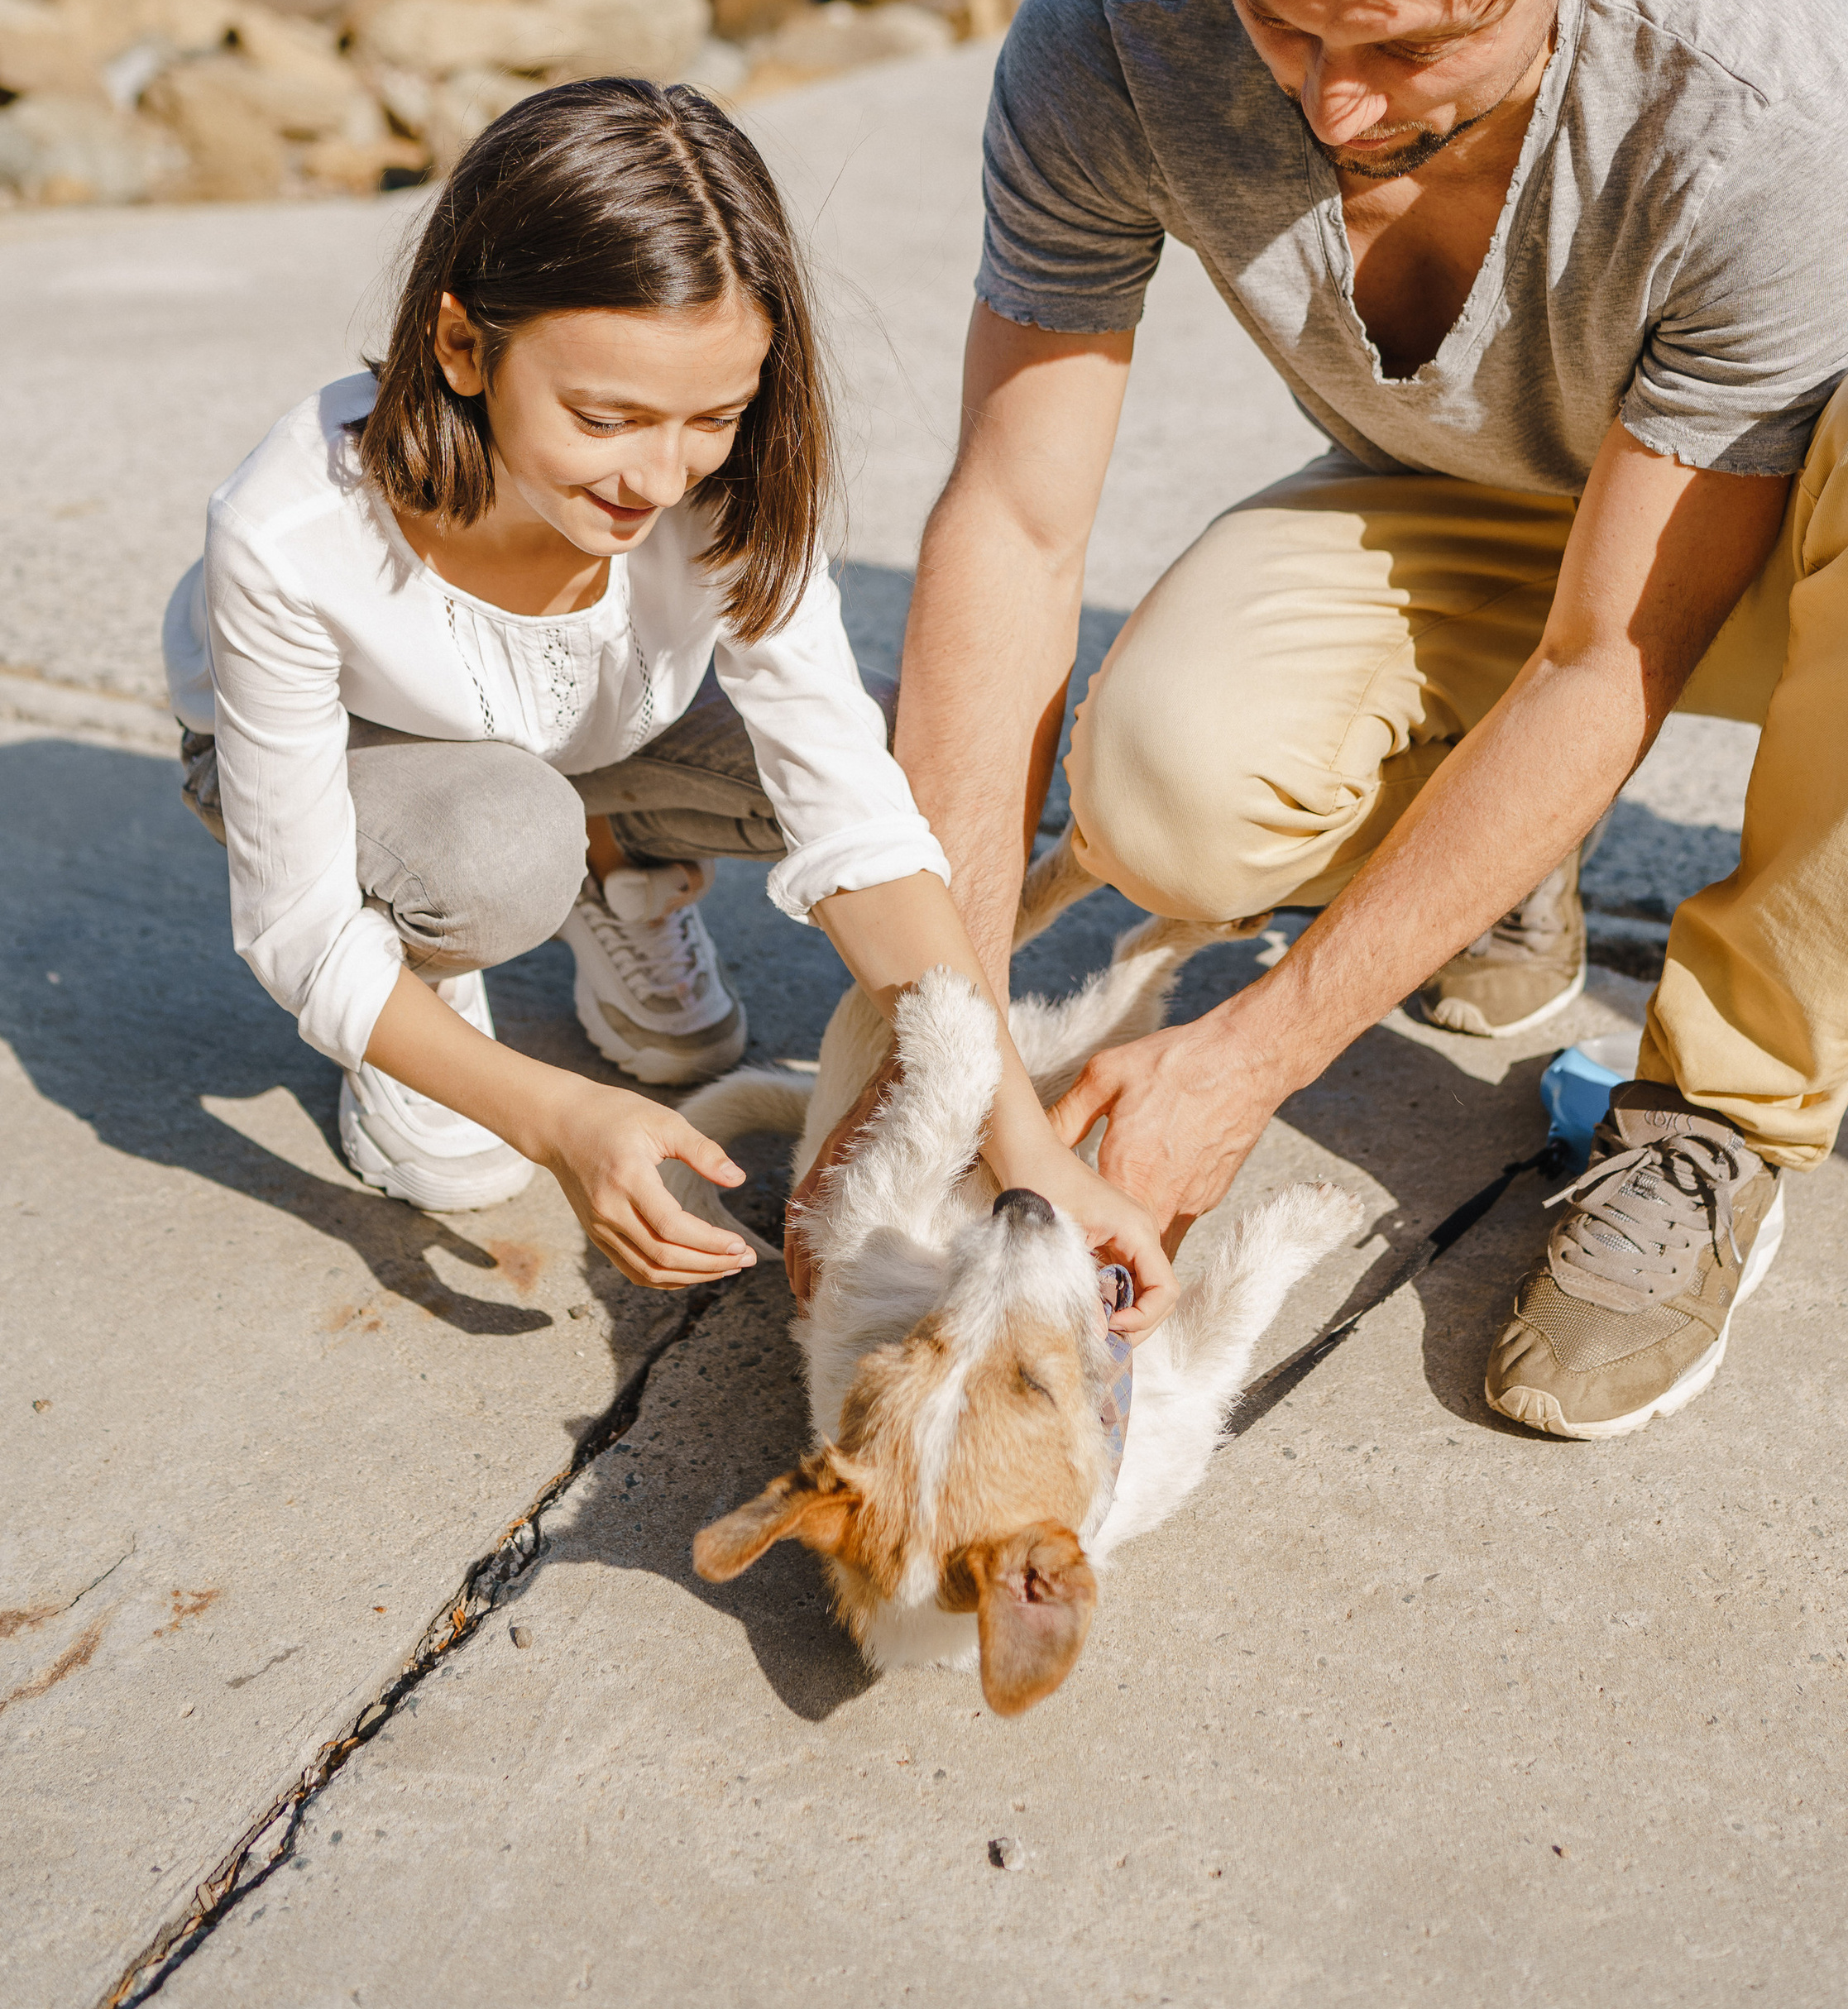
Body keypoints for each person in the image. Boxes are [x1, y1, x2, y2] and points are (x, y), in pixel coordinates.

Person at [835, 0, 1848, 1440]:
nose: (1333, 106)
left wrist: (1247, 1060)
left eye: (1409, 42)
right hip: (1456, 516)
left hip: (1764, 554)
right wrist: (936, 1054)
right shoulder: (1113, 36)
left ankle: (1719, 1120)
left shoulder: (1765, 96)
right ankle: (1494, 872)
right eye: (1281, 18)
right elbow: (1011, 526)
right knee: (1160, 792)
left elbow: (1609, 654)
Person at [164, 75, 1170, 1321]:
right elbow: (296, 926)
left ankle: (614, 867)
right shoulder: (289, 534)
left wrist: (1025, 1151)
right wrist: (555, 1115)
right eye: (607, 417)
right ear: (462, 346)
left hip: (597, 730)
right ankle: (435, 955)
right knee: (495, 874)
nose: (658, 475)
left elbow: (854, 814)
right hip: (381, 769)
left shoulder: (730, 484)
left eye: (715, 416)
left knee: (906, 749)